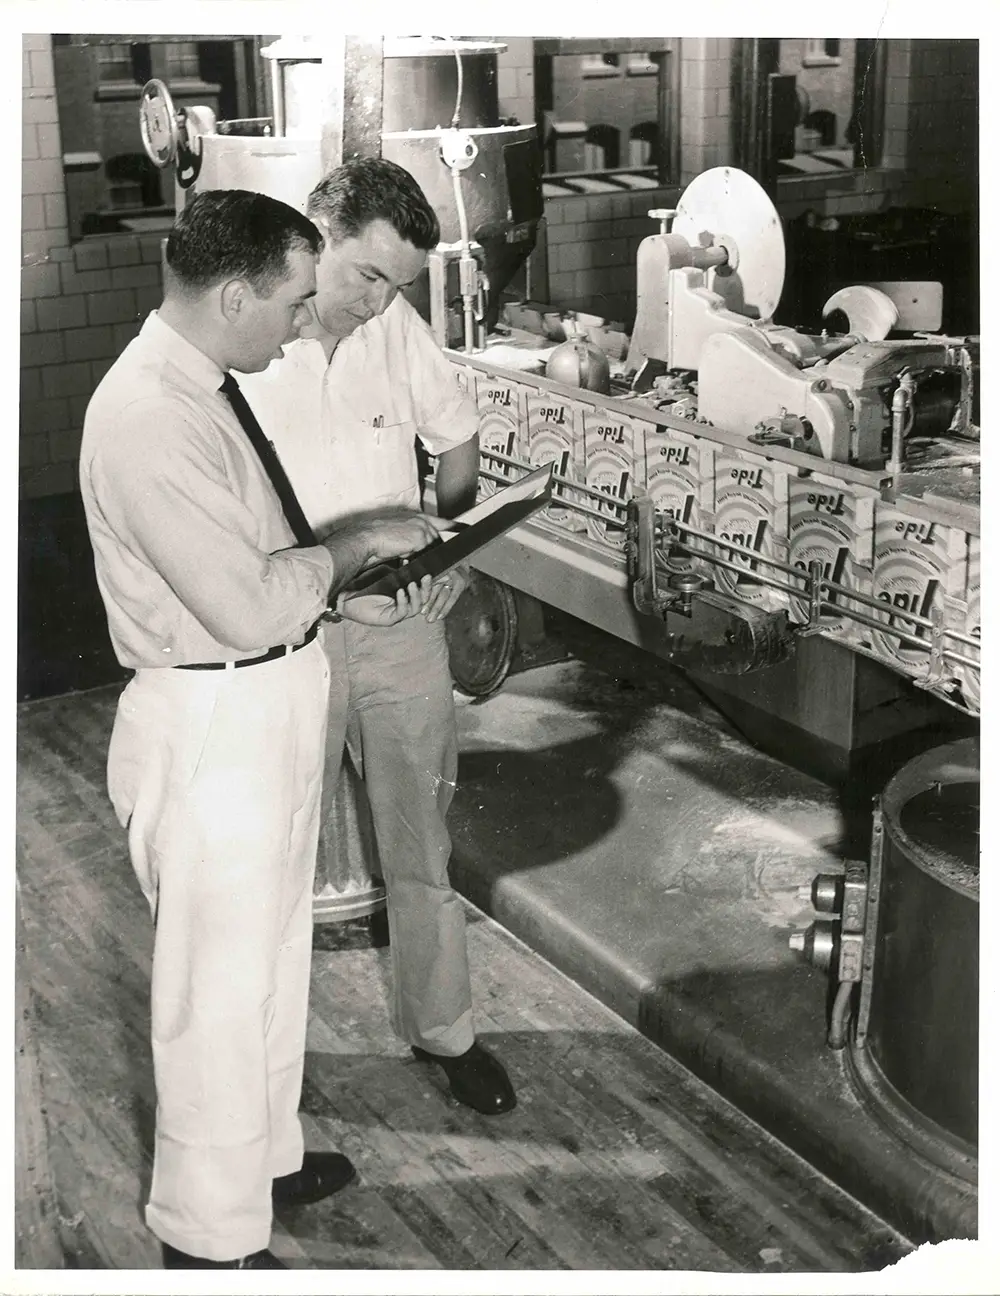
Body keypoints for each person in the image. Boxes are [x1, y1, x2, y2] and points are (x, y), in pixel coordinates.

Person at [79, 188, 445, 1270]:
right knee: (215, 997)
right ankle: (202, 1238)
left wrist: (356, 561)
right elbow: (241, 604)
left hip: (264, 698)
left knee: (273, 964)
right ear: (234, 293)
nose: (304, 323)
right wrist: (363, 540)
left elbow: (264, 558)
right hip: (211, 718)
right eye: (291, 303)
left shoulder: (205, 382)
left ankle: (262, 1167)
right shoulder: (150, 414)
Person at [239, 158, 516, 1117]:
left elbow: (459, 436)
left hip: (401, 630)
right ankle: (268, 1086)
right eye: (366, 276)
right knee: (271, 858)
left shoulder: (395, 326)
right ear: (316, 240)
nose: (379, 300)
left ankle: (445, 1031)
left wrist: (448, 550)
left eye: (397, 283)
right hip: (289, 639)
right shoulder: (250, 341)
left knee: (420, 843)